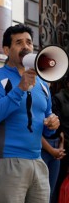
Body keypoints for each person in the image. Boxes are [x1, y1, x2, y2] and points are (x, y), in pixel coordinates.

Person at [0, 24, 60, 202]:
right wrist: (20, 88)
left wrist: (52, 124)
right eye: (19, 42)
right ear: (6, 49)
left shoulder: (42, 83)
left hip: (38, 161)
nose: (26, 46)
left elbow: (47, 125)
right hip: (7, 162)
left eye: (29, 42)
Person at [50, 74, 69, 203]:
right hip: (63, 148)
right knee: (58, 183)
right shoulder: (58, 98)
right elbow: (58, 127)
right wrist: (62, 144)